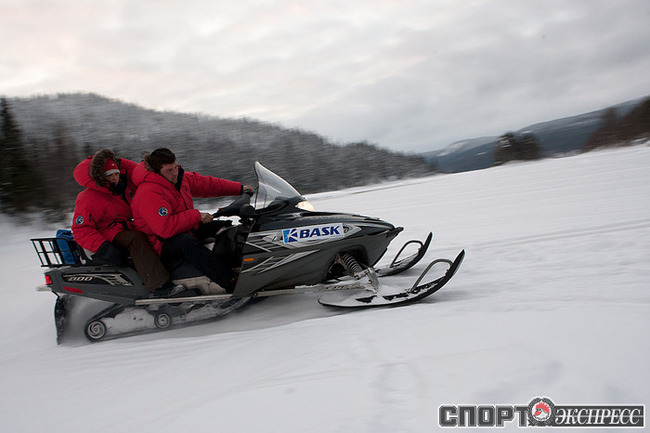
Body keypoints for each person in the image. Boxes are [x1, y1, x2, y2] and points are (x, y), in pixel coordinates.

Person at [130, 147, 254, 292]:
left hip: (183, 228)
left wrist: (239, 189)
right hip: (160, 242)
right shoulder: (148, 192)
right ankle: (230, 282)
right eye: (169, 170)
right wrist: (196, 216)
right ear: (157, 171)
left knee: (223, 226)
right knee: (187, 243)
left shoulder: (179, 179)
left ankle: (242, 264)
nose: (175, 173)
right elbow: (165, 228)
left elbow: (207, 185)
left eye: (175, 167)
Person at [71, 149, 183, 298]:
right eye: (109, 175)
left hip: (126, 227)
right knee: (135, 239)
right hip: (107, 233)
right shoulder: (88, 197)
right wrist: (103, 248)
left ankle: (178, 271)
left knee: (156, 231)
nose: (114, 178)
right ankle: (159, 285)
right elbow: (81, 229)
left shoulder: (123, 189)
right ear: (100, 177)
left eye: (116, 174)